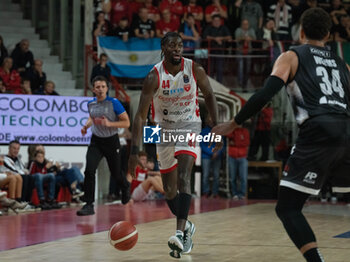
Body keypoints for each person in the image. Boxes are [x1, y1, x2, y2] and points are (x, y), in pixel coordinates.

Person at [212, 8, 350, 262]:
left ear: (301, 31)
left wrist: (234, 123)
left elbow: (266, 94)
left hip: (318, 129)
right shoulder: (343, 64)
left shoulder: (291, 56)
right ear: (328, 35)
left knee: (287, 208)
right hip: (346, 131)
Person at [128, 32, 222, 258]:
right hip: (161, 130)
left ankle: (179, 234)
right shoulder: (154, 76)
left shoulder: (195, 69)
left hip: (189, 125)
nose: (177, 49)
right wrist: (134, 151)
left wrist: (216, 127)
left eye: (180, 45)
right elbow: (140, 116)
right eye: (172, 45)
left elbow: (210, 95)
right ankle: (187, 225)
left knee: (184, 178)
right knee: (169, 191)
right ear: (163, 48)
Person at [77, 75, 131, 216]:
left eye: (103, 87)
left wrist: (110, 124)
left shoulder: (114, 103)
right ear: (93, 89)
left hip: (111, 141)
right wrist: (86, 126)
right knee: (89, 170)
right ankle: (88, 204)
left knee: (116, 173)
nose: (100, 89)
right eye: (97, 87)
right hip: (96, 141)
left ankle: (125, 187)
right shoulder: (91, 104)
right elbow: (91, 117)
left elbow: (126, 123)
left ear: (107, 88)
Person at [227, 125, 250, 200]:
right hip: (232, 157)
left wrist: (235, 142)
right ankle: (234, 194)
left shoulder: (245, 131)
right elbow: (227, 134)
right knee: (233, 177)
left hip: (242, 157)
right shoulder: (232, 131)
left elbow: (246, 143)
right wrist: (239, 140)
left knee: (243, 177)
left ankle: (242, 194)